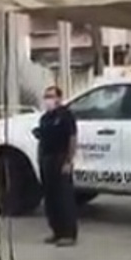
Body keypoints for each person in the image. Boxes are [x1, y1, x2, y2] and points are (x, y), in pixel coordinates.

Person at [35, 85, 78, 247]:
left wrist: (68, 161)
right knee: (51, 198)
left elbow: (72, 138)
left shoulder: (66, 116)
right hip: (47, 159)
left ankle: (68, 233)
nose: (48, 100)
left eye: (51, 96)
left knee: (63, 198)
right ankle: (57, 231)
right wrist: (40, 160)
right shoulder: (45, 118)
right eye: (46, 96)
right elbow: (42, 141)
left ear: (59, 98)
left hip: (61, 158)